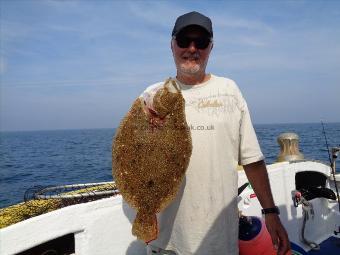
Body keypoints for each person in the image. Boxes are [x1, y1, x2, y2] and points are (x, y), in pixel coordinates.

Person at [140, 11, 290, 255]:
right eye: (184, 40)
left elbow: (252, 159)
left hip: (220, 241)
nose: (192, 48)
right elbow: (137, 161)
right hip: (165, 243)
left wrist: (270, 212)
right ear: (171, 45)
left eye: (200, 42)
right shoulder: (152, 97)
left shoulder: (228, 90)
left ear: (210, 47)